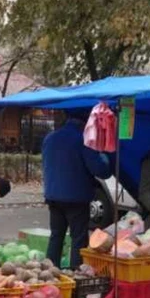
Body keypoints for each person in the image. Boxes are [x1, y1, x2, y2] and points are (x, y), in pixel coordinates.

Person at [42, 111, 112, 268]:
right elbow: (101, 170)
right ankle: (76, 274)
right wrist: (107, 157)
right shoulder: (84, 140)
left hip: (53, 195)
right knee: (78, 238)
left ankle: (50, 272)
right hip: (76, 197)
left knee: (56, 236)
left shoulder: (50, 138)